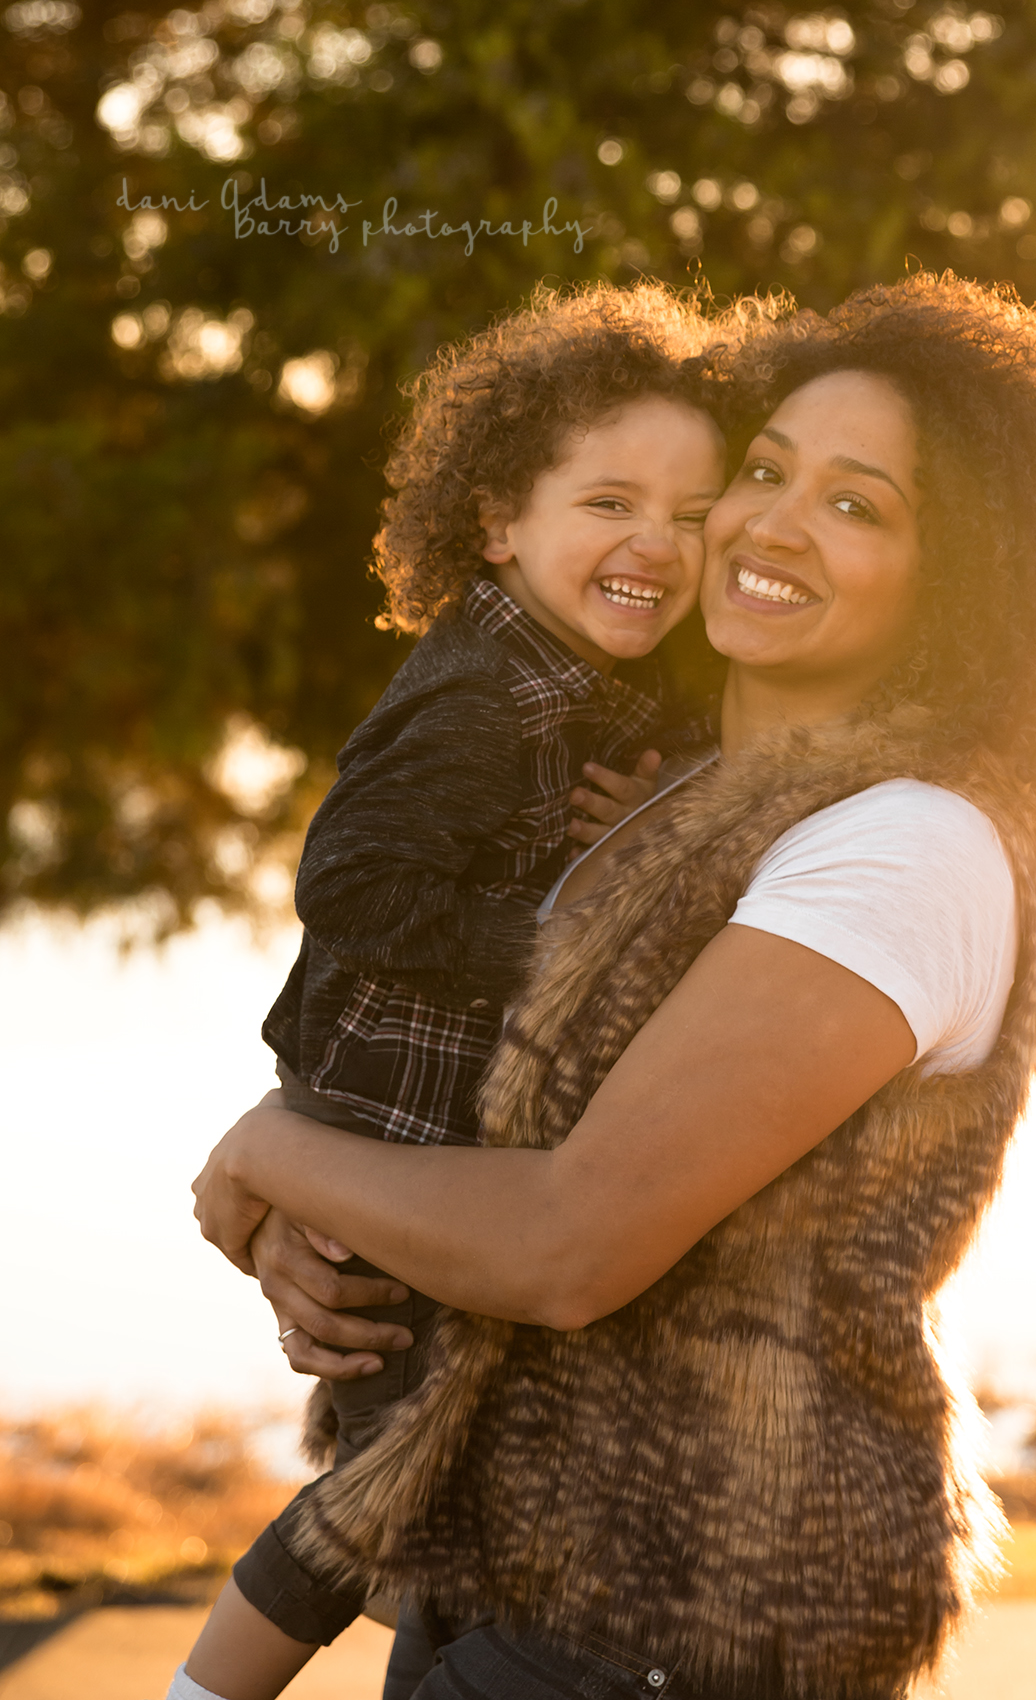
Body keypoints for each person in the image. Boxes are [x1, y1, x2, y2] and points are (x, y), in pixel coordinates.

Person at [189, 275, 1036, 1700]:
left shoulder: (905, 845)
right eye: (765, 470)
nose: (769, 522)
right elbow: (479, 1110)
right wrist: (323, 1214)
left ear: (960, 577)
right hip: (509, 1591)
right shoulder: (689, 806)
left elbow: (568, 1241)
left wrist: (267, 1149)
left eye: (859, 504)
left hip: (674, 1618)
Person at [182, 284, 730, 1700]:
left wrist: (655, 797)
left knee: (420, 1495)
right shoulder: (485, 693)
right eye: (610, 501)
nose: (655, 544)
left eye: (692, 511)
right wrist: (572, 931)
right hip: (392, 1133)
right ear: (500, 525)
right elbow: (352, 889)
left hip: (428, 1142)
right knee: (412, 1487)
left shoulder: (588, 682)